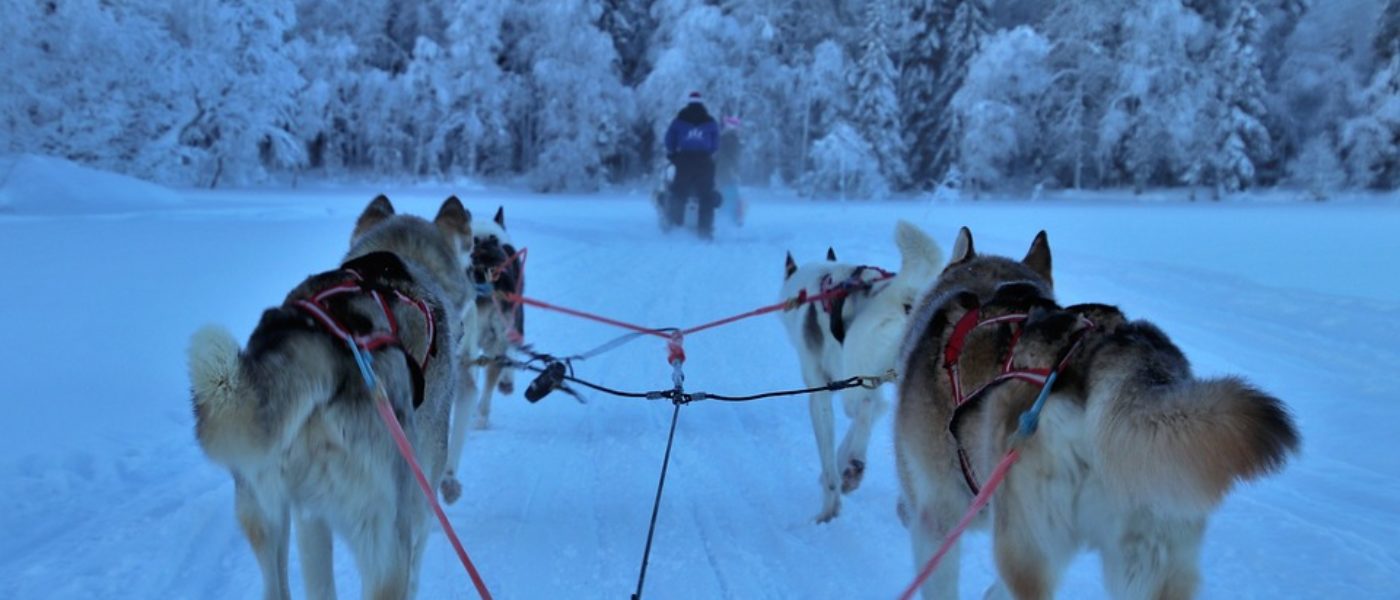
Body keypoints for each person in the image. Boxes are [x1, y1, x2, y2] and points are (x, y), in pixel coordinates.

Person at [663, 91, 720, 239]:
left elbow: (669, 139)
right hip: (704, 161)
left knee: (678, 193)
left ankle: (676, 228)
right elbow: (715, 144)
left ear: (688, 102)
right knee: (706, 196)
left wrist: (674, 152)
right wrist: (707, 152)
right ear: (702, 102)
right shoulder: (710, 121)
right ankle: (705, 231)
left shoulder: (679, 120)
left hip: (684, 160)